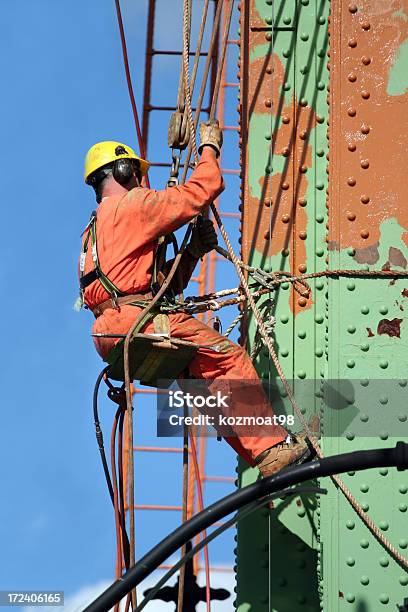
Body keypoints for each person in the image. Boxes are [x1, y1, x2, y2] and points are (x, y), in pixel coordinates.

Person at [78, 120, 311, 477]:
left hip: (111, 331)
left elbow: (146, 287)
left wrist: (192, 252)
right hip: (134, 321)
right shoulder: (132, 206)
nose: (142, 181)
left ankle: (265, 456)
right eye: (136, 174)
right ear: (123, 170)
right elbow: (205, 186)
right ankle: (271, 448)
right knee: (228, 358)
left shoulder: (92, 232)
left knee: (204, 386)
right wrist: (209, 148)